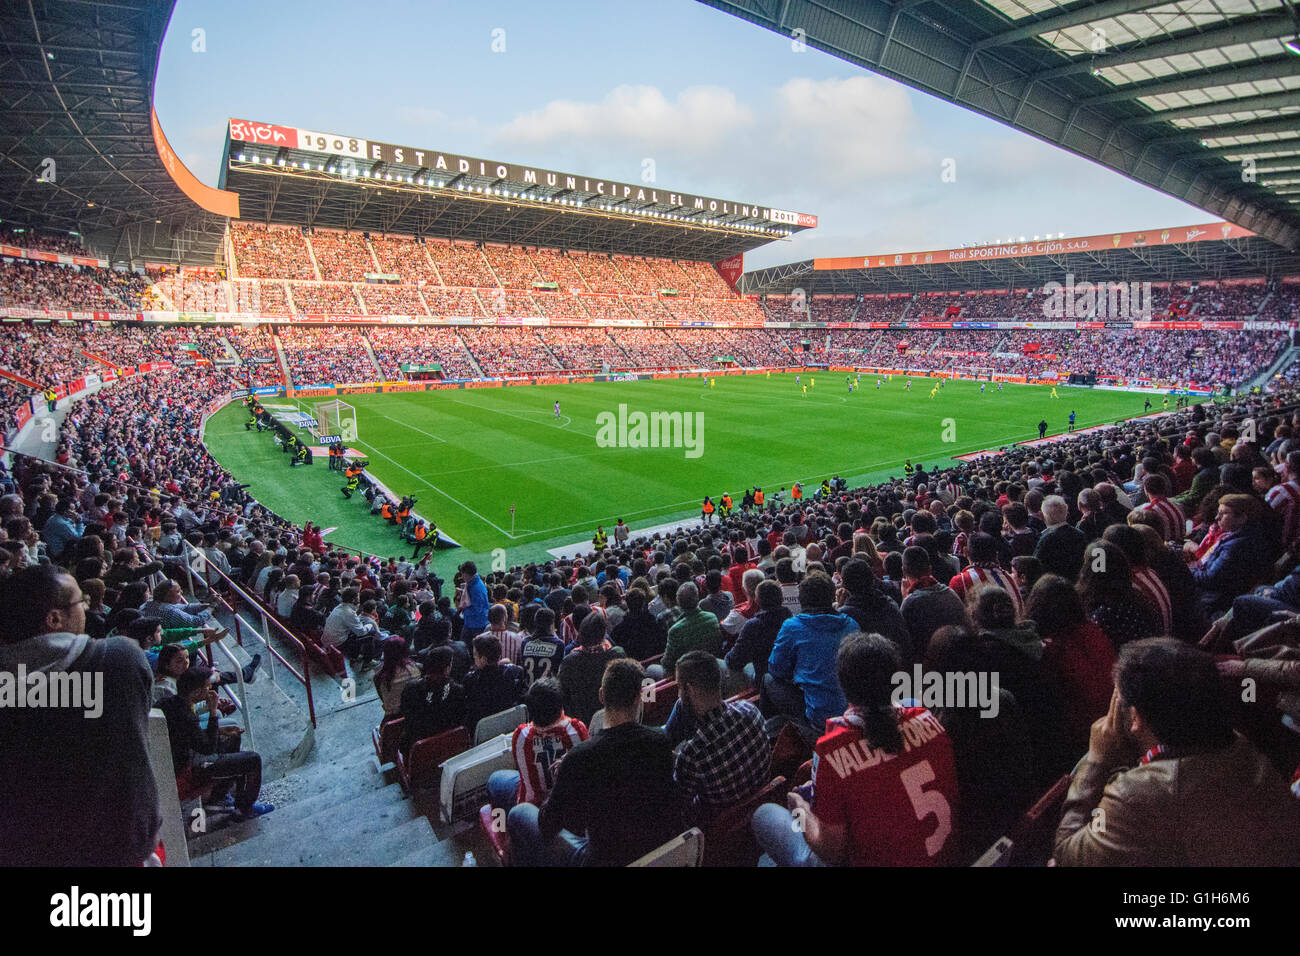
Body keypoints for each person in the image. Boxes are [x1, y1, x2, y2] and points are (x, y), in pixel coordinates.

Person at [1054, 638, 1300, 865]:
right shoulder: (1240, 745)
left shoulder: (1137, 795)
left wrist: (1097, 760)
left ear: (1136, 716)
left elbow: (1066, 853)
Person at [0, 566, 163, 865]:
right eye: (79, 601)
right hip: (119, 856)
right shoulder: (119, 658)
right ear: (54, 619)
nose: (86, 607)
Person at [752, 632, 960, 866]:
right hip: (946, 858)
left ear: (844, 686)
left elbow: (831, 852)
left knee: (764, 815)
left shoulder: (832, 749)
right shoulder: (929, 718)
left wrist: (800, 810)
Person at [507, 658, 683, 866]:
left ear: (602, 695)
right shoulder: (660, 742)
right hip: (651, 850)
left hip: (598, 859)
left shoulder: (579, 758)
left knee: (518, 812)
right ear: (639, 697)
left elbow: (547, 825)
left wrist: (560, 779)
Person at [159, 665, 274, 820]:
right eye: (207, 687)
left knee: (232, 737)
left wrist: (220, 731)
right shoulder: (186, 715)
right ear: (197, 692)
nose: (210, 690)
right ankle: (244, 809)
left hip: (176, 758)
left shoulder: (168, 703)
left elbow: (188, 736)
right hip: (188, 769)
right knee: (253, 760)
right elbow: (208, 749)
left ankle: (219, 795)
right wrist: (213, 711)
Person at [672, 651, 770, 823]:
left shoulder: (692, 754)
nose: (679, 695)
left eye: (679, 687)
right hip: (761, 811)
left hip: (723, 830)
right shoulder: (751, 711)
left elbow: (680, 804)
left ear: (691, 690)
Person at [765, 571, 860, 734]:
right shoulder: (852, 625)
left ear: (802, 601)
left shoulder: (792, 626)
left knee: (768, 680)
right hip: (854, 712)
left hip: (820, 719)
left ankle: (774, 733)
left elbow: (776, 669)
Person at [486, 677, 589, 813]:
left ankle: (501, 828)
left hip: (533, 809)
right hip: (569, 808)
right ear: (560, 707)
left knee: (496, 779)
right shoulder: (577, 730)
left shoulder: (521, 735)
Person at [397, 646, 466, 754]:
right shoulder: (458, 690)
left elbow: (405, 714)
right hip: (449, 748)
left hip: (417, 751)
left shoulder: (411, 688)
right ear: (447, 667)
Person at [462, 633, 527, 736]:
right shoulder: (515, 673)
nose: (473, 658)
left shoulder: (471, 680)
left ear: (483, 659)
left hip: (484, 735)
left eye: (475, 654)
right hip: (511, 729)